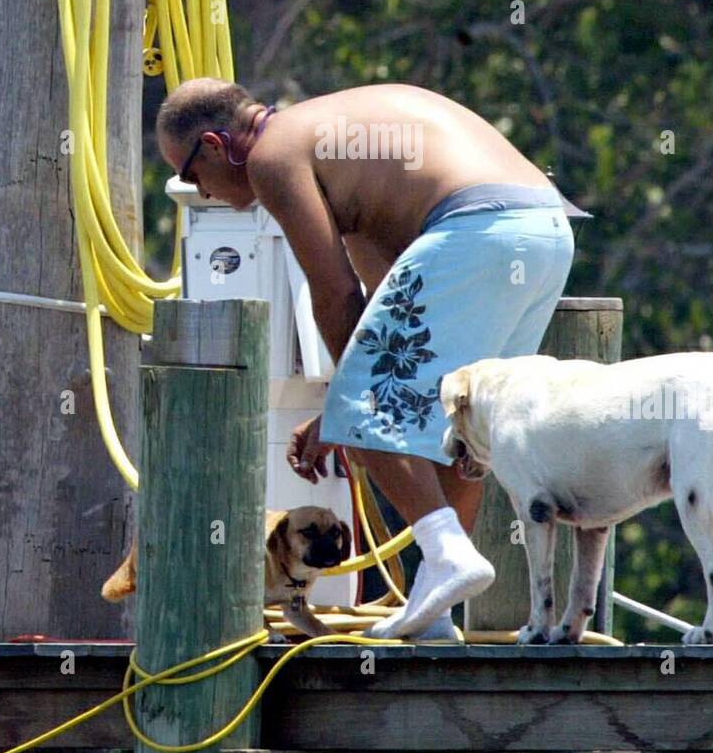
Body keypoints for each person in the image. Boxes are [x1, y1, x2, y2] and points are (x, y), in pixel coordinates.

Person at [157, 78, 575, 640]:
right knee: (461, 418)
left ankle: (447, 553)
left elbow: (333, 294)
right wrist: (344, 403)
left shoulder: (274, 155)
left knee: (369, 399)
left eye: (189, 175)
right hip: (543, 231)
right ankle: (436, 612)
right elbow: (381, 314)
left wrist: (350, 405)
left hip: (473, 228)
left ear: (213, 144)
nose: (199, 190)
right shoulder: (344, 163)